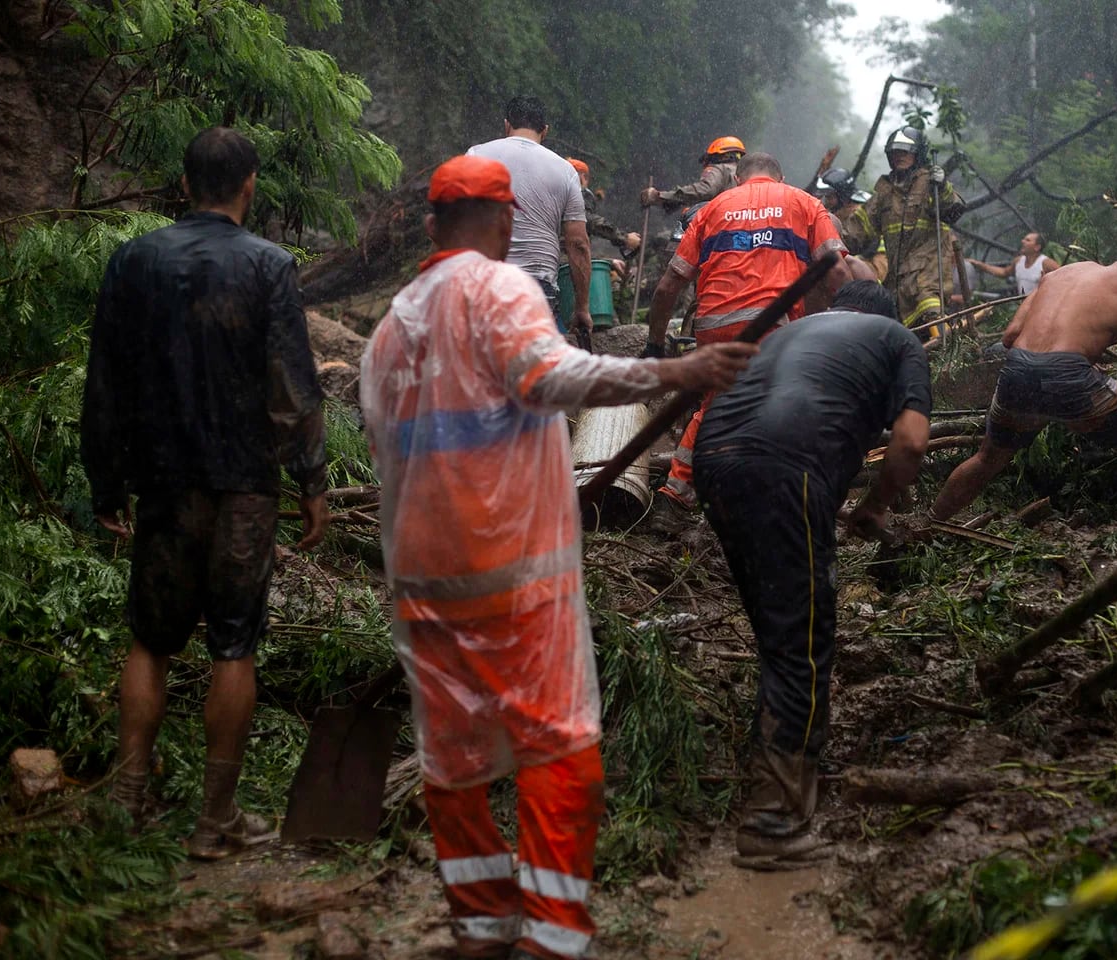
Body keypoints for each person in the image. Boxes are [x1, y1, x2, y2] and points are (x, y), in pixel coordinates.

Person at [359, 154, 757, 960]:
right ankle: (550, 935)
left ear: (429, 224)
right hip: (514, 568)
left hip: (423, 579)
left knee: (455, 753)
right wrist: (678, 370)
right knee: (559, 745)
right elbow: (550, 375)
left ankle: (479, 925)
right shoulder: (500, 286)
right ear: (507, 223)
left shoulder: (394, 321)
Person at [80, 127, 329, 858]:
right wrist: (312, 480)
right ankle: (215, 819)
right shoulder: (269, 266)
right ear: (248, 184)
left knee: (150, 641)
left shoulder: (135, 260)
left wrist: (106, 477)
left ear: (184, 184)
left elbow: (107, 380)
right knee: (233, 645)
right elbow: (292, 388)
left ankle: (128, 797)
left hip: (162, 479)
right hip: (244, 487)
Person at [695, 280, 931, 869]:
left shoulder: (791, 331)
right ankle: (773, 824)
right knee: (803, 642)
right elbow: (910, 443)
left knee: (780, 630)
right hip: (785, 466)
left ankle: (781, 765)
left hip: (713, 460)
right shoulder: (900, 339)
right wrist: (876, 504)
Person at [641, 151, 852, 514]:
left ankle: (676, 494)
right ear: (780, 178)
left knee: (714, 404)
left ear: (738, 179)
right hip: (774, 324)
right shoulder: (803, 202)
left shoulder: (712, 208)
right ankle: (781, 495)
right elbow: (836, 270)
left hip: (714, 325)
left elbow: (669, 285)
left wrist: (655, 342)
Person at [931, 240, 1117, 523]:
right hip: (1068, 376)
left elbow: (1009, 337)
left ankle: (925, 528)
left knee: (986, 460)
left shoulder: (1058, 274)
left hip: (1018, 371)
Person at [468, 95, 592, 336]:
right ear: (545, 131)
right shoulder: (565, 171)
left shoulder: (476, 156)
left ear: (506, 125)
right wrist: (582, 308)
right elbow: (578, 244)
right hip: (536, 289)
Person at [846, 126, 966, 330]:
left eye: (905, 151)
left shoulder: (930, 183)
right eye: (894, 152)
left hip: (927, 275)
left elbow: (953, 211)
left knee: (931, 313)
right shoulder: (884, 192)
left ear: (918, 154)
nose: (899, 156)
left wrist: (943, 187)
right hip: (896, 281)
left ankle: (948, 357)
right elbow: (857, 232)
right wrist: (826, 242)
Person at [814, 167, 885, 281]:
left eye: (829, 197)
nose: (826, 201)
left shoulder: (862, 214)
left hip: (867, 278)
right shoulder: (839, 212)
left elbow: (880, 263)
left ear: (843, 196)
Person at [639, 135, 744, 213]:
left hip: (722, 227)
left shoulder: (719, 169)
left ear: (717, 155)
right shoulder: (746, 174)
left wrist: (661, 196)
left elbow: (705, 190)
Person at [565, 157, 640, 257]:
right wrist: (623, 238)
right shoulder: (578, 194)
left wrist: (612, 262)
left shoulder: (553, 194)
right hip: (564, 261)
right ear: (582, 177)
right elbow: (587, 220)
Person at [968, 231, 1061, 295]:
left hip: (1041, 307)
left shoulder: (1046, 263)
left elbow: (1064, 279)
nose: (1022, 241)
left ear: (1037, 247)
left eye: (1027, 240)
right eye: (1024, 239)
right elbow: (1004, 272)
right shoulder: (1018, 261)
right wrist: (979, 265)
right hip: (1024, 306)